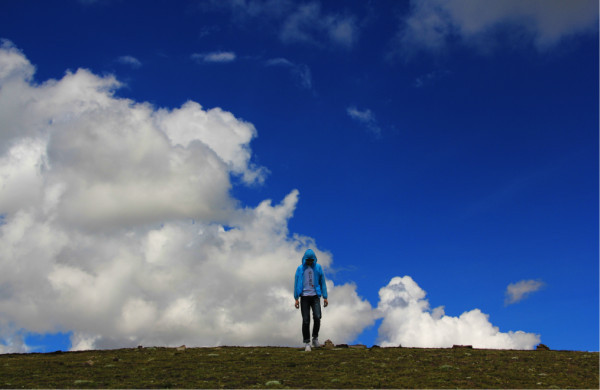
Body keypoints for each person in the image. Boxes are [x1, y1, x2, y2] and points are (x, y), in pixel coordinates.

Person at [294, 248, 328, 351]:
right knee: (305, 320)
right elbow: (296, 283)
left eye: (311, 260)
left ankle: (315, 338)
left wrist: (325, 297)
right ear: (304, 259)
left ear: (314, 259)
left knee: (317, 317)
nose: (309, 262)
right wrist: (296, 298)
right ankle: (307, 342)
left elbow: (322, 282)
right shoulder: (300, 269)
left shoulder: (318, 268)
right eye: (307, 260)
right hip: (304, 296)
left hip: (315, 296)